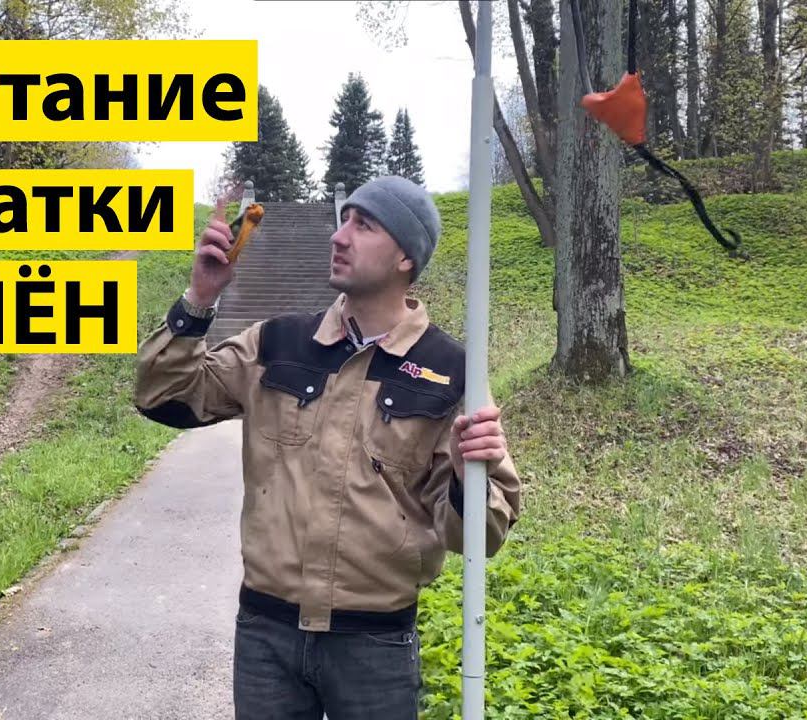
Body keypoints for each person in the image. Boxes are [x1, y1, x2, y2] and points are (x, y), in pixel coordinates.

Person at [133, 175, 522, 719]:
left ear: (405, 257)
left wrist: (464, 477)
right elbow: (162, 396)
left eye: (364, 226)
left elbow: (480, 537)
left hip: (375, 647)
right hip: (267, 636)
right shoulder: (277, 343)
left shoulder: (451, 373)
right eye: (344, 221)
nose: (339, 236)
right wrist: (200, 298)